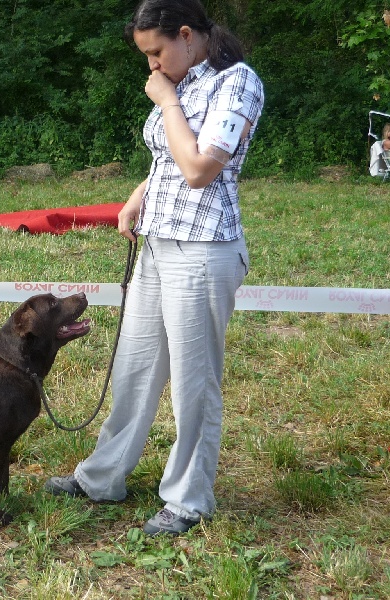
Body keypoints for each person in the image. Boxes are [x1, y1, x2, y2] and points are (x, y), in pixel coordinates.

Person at [44, 0, 264, 536]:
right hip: (158, 245)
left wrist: (166, 100)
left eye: (156, 52)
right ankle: (102, 478)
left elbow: (200, 168)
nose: (152, 66)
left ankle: (188, 500)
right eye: (146, 57)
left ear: (186, 35)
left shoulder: (236, 82)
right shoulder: (184, 80)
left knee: (193, 382)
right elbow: (167, 157)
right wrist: (137, 196)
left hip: (204, 249)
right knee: (134, 368)